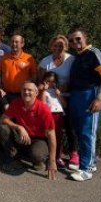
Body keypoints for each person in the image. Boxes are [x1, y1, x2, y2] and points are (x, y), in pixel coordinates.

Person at [67, 27, 101, 181]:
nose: (75, 42)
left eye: (78, 38)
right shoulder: (76, 57)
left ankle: (86, 169)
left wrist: (99, 98)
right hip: (76, 96)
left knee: (87, 132)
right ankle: (89, 162)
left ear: (85, 37)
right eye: (72, 40)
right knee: (79, 130)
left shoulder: (95, 53)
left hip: (89, 95)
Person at [0, 82, 57, 180]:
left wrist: (52, 160)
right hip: (21, 135)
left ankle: (38, 161)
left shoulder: (43, 109)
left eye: (30, 90)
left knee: (37, 154)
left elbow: (51, 134)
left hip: (38, 139)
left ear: (36, 93)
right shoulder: (16, 103)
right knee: (3, 127)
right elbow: (3, 119)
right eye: (24, 90)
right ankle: (15, 160)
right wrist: (18, 127)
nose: (26, 92)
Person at [38, 34, 78, 169]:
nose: (58, 48)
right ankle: (50, 154)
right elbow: (40, 79)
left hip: (67, 96)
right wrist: (42, 89)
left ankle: (73, 153)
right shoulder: (45, 61)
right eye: (55, 45)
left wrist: (64, 88)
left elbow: (76, 78)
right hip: (50, 99)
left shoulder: (71, 59)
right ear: (51, 46)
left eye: (61, 45)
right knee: (51, 128)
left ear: (66, 46)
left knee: (70, 126)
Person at [0, 35, 37, 101]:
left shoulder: (29, 58)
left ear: (22, 44)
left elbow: (34, 76)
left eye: (16, 42)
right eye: (12, 42)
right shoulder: (3, 58)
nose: (14, 44)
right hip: (6, 94)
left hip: (23, 95)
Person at [39, 71, 67, 168]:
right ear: (44, 81)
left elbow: (64, 105)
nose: (50, 83)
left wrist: (59, 95)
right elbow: (43, 105)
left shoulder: (57, 91)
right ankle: (48, 157)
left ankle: (58, 156)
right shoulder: (43, 91)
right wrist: (43, 91)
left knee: (59, 136)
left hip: (59, 114)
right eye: (48, 81)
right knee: (48, 136)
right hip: (49, 115)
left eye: (53, 81)